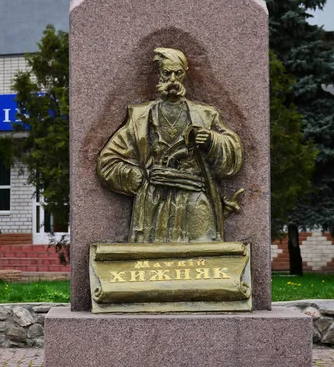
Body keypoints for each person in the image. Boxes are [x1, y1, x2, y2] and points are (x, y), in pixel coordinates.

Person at [97, 47, 243, 242]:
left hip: (194, 198)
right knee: (151, 263)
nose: (173, 80)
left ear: (185, 74)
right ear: (159, 74)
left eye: (178, 73)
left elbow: (234, 150)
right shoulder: (140, 117)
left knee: (205, 257)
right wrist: (136, 176)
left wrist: (211, 141)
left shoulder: (206, 115)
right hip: (154, 202)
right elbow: (107, 161)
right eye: (167, 73)